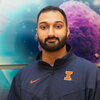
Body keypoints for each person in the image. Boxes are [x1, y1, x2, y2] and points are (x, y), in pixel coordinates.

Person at [7, 6, 100, 100]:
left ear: (67, 31)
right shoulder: (22, 78)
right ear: (37, 33)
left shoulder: (91, 75)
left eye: (58, 26)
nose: (51, 33)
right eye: (44, 27)